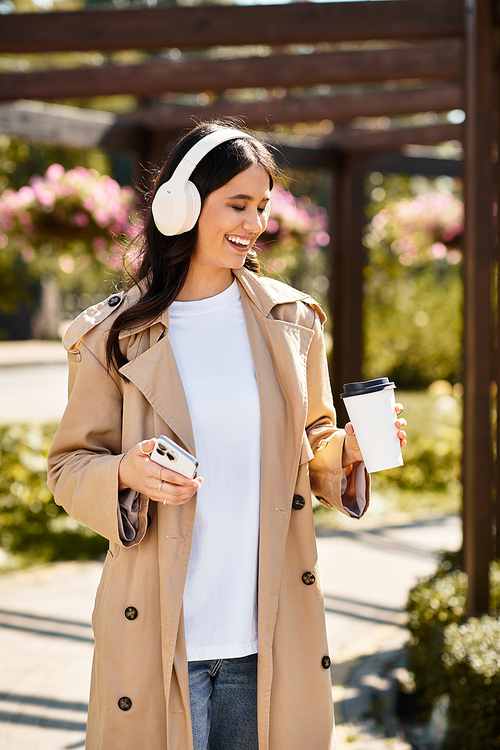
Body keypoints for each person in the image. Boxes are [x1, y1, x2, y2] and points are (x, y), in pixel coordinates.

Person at [47, 121, 406, 750]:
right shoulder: (112, 335)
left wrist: (346, 450)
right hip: (159, 633)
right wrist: (125, 473)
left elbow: (313, 439)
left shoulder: (291, 322)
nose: (255, 222)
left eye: (262, 206)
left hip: (268, 637)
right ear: (182, 205)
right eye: (237, 204)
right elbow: (69, 466)